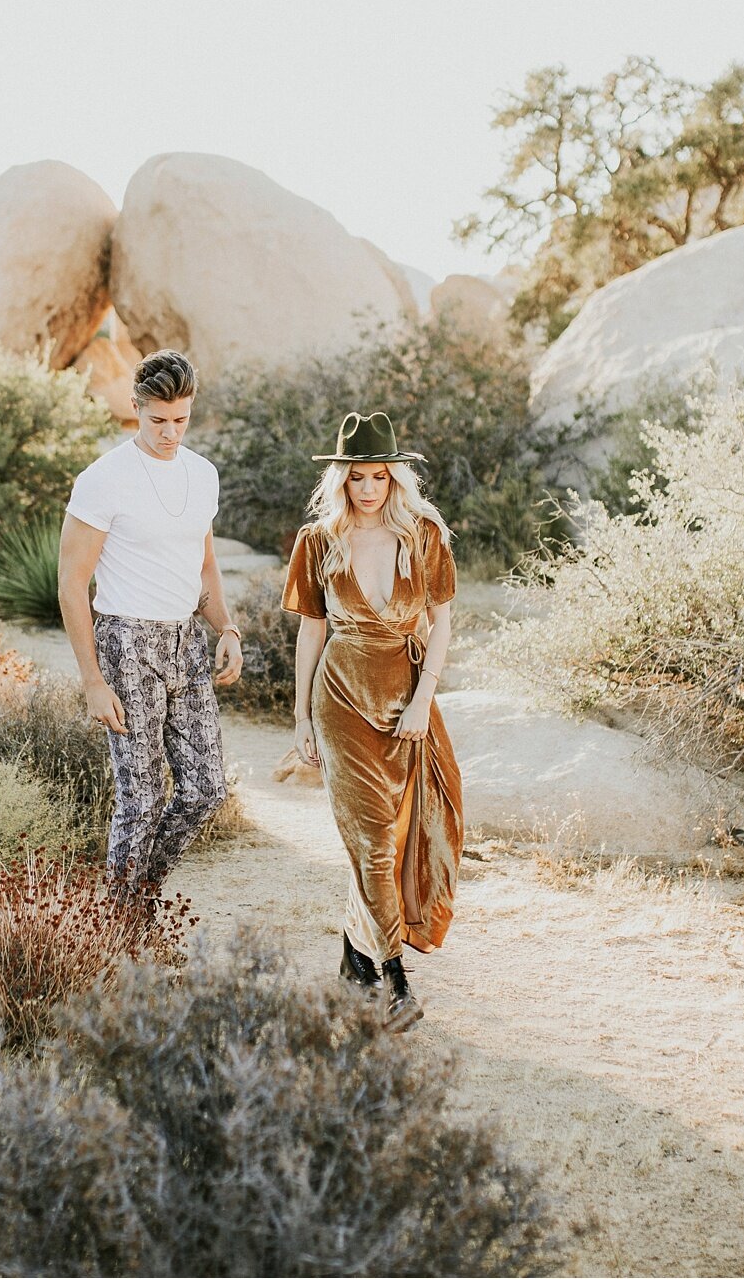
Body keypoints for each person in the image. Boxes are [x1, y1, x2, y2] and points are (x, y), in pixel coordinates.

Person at [283, 411, 463, 1032]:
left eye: (378, 477)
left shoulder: (424, 537)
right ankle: (395, 980)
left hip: (406, 703)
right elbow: (311, 630)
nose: (366, 489)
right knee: (373, 845)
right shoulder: (318, 542)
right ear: (341, 479)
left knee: (403, 836)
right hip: (341, 703)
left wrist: (422, 700)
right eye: (356, 477)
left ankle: (354, 962)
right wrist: (300, 716)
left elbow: (441, 623)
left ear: (394, 480)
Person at [58, 349, 244, 895]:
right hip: (126, 641)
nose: (170, 433)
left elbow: (204, 562)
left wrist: (226, 628)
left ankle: (142, 892)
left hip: (186, 640)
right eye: (158, 420)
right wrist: (93, 680)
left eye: (181, 420)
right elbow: (72, 584)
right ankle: (120, 923)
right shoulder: (103, 478)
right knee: (141, 796)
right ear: (136, 407)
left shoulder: (202, 474)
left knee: (207, 789)